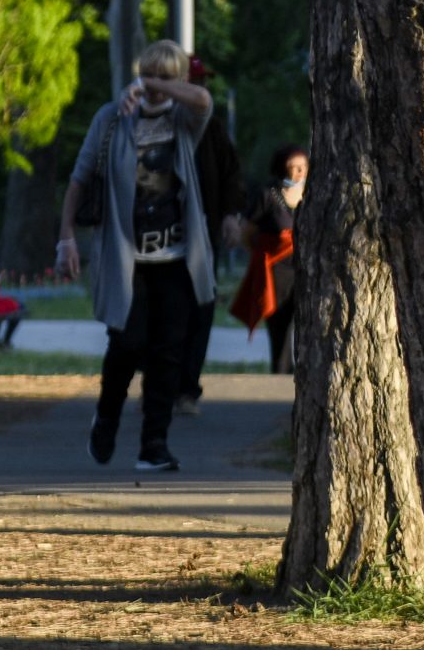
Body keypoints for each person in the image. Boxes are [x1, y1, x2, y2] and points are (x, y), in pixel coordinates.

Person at [59, 39, 216, 471]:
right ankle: (106, 418)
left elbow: (203, 98)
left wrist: (156, 84)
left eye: (167, 78)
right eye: (149, 75)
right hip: (126, 257)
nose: (155, 88)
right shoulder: (113, 118)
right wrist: (66, 237)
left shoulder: (184, 120)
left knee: (168, 352)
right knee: (127, 345)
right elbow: (80, 177)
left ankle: (154, 445)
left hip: (175, 258)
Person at [177, 54, 242, 416]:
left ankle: (187, 389)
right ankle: (162, 385)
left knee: (200, 310)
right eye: (192, 83)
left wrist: (231, 216)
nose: (200, 90)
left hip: (204, 234)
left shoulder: (213, 128)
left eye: (202, 83)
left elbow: (232, 173)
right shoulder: (159, 124)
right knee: (165, 315)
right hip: (163, 236)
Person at [230, 145, 308, 374]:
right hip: (277, 273)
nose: (298, 173)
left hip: (306, 272)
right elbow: (248, 232)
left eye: (302, 168)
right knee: (280, 329)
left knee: (306, 325)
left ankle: (304, 373)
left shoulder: (316, 192)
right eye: (292, 168)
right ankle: (281, 376)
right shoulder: (268, 195)